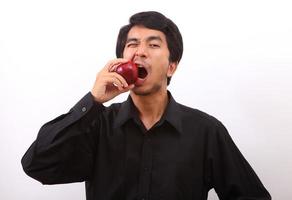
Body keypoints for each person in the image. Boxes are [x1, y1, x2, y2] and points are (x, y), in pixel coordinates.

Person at [21, 11, 271, 200]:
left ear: (172, 65)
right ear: (121, 60)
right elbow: (37, 165)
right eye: (132, 44)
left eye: (153, 44)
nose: (140, 51)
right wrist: (93, 101)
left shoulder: (205, 131)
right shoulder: (97, 126)